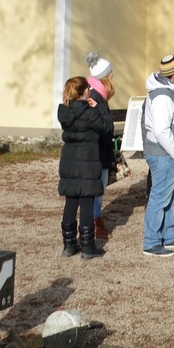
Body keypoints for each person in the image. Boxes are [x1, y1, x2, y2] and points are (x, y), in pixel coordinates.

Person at [141, 54, 174, 257]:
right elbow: (162, 130)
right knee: (160, 197)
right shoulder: (163, 96)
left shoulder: (170, 91)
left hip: (169, 153)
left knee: (170, 198)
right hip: (165, 154)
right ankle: (152, 242)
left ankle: (169, 237)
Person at [57, 76, 111, 260]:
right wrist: (99, 107)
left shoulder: (64, 111)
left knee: (70, 202)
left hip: (69, 160)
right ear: (85, 91)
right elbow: (107, 127)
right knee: (87, 203)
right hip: (88, 159)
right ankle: (88, 247)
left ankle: (69, 245)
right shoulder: (90, 112)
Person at [85, 51, 116, 241]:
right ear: (104, 77)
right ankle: (95, 222)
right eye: (110, 73)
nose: (112, 76)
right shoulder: (96, 96)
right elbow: (102, 125)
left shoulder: (97, 93)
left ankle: (95, 219)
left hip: (99, 149)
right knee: (98, 187)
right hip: (97, 151)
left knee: (99, 187)